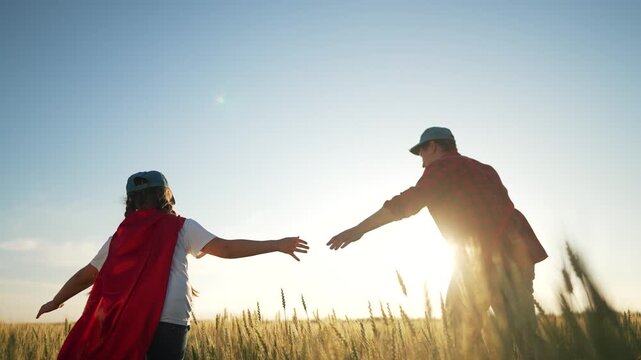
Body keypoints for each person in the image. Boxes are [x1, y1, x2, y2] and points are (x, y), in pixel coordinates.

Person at [37, 170, 309, 360]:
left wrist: (56, 300)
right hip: (169, 321)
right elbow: (225, 248)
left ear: (130, 201)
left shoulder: (118, 238)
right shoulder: (181, 227)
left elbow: (88, 275)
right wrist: (275, 244)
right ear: (165, 196)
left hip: (125, 321)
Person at [327, 127, 547, 359]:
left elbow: (408, 202)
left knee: (460, 326)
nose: (421, 161)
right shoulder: (485, 169)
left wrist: (359, 229)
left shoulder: (443, 167)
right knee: (523, 332)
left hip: (481, 257)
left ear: (432, 146)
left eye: (421, 152)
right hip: (520, 252)